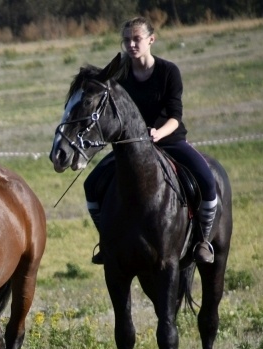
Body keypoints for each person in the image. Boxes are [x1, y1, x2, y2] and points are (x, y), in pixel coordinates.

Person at [84, 16, 217, 265]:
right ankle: (107, 240)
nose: (131, 44)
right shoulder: (120, 73)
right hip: (131, 147)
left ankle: (203, 241)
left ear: (151, 40)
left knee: (207, 182)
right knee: (91, 185)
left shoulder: (169, 71)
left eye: (136, 39)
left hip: (170, 141)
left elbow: (176, 117)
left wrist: (157, 133)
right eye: (126, 40)